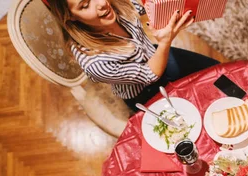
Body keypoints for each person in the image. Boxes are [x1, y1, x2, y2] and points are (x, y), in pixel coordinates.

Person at [45, 0, 219, 111]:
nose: (101, 3)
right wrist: (166, 41)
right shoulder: (95, 62)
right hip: (144, 90)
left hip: (155, 53)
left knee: (218, 71)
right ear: (71, 17)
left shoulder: (115, 5)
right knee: (196, 111)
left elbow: (143, 6)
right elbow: (150, 75)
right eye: (85, 5)